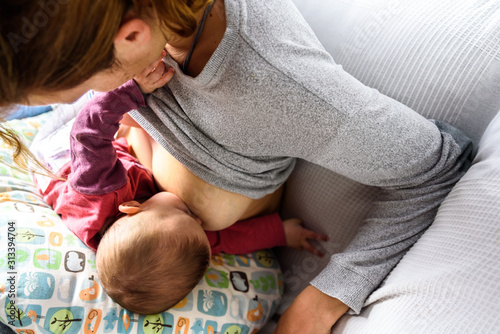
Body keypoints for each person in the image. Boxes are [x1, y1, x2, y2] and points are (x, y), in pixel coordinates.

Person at [0, 0, 473, 332]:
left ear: (131, 36)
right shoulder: (149, 35)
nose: (90, 97)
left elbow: (437, 167)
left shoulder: (281, 90)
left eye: (82, 85)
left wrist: (320, 300)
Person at [34, 69, 328, 314]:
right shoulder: (172, 238)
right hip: (130, 176)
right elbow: (223, 240)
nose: (199, 221)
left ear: (133, 207)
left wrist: (133, 89)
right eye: (197, 227)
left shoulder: (96, 188)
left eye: (184, 212)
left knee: (106, 110)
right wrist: (279, 233)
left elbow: (88, 131)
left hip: (63, 156)